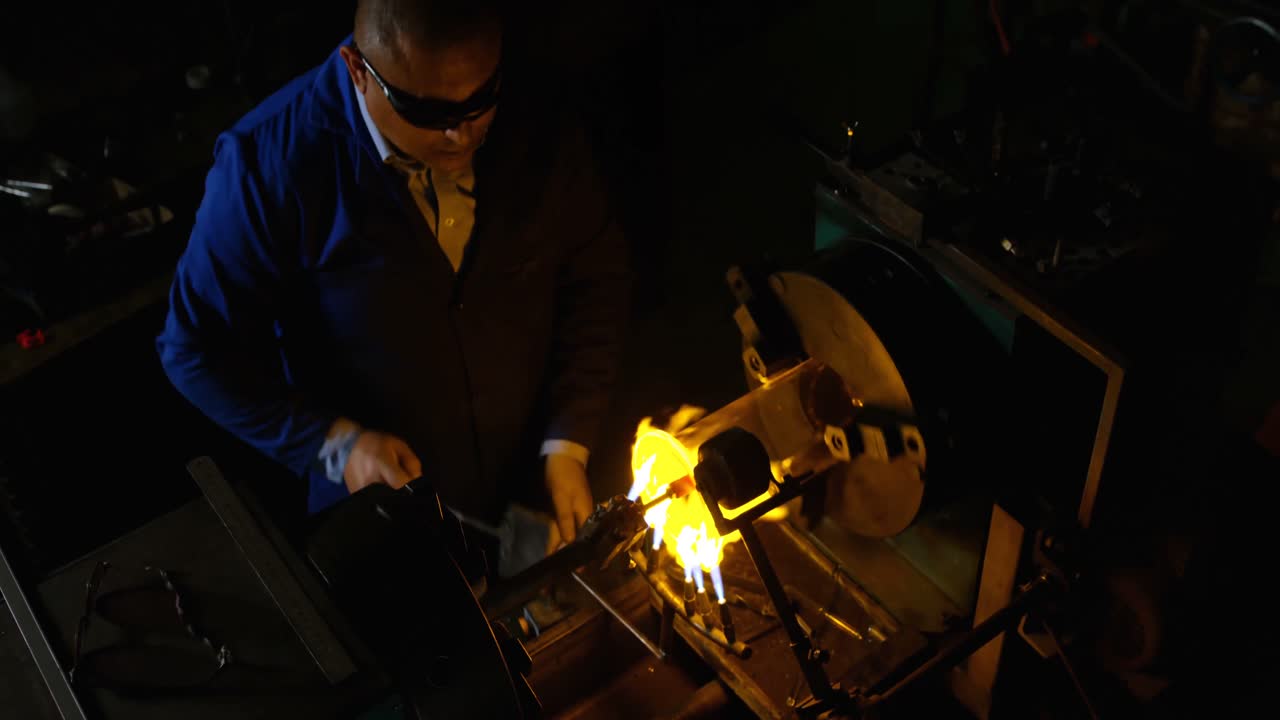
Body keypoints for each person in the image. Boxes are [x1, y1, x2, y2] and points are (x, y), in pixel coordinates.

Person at [156, 0, 629, 550]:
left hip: (536, 475)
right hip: (387, 522)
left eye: (479, 104)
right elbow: (194, 351)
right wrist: (336, 445)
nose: (460, 136)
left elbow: (597, 275)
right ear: (358, 67)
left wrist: (567, 442)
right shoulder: (268, 168)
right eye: (427, 113)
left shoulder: (533, 110)